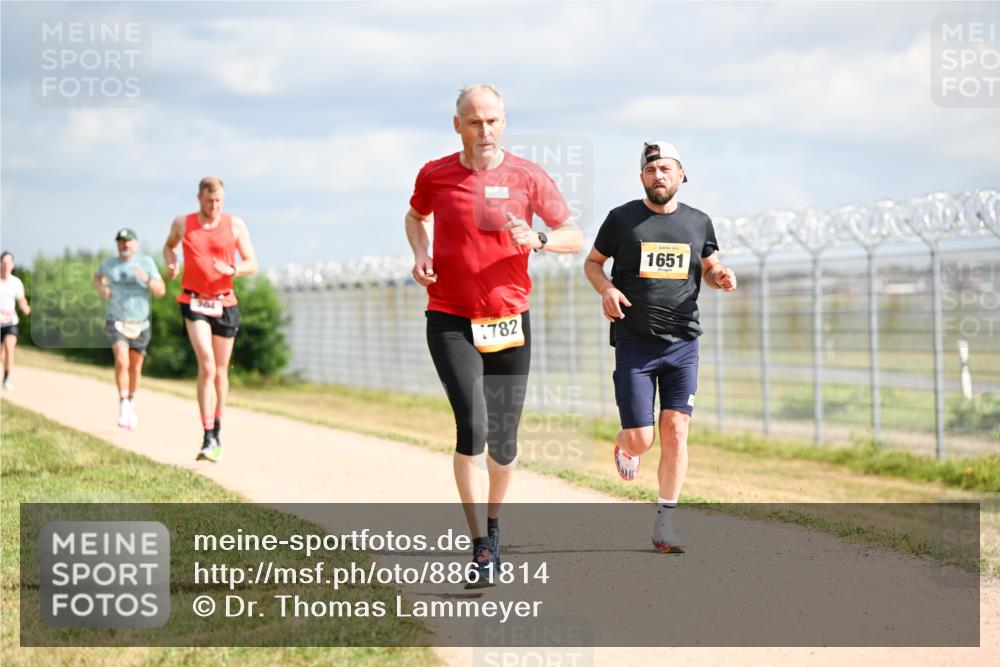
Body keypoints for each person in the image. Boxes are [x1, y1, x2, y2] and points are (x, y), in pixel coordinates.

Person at [405, 84, 583, 587]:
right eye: (475, 121)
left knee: (503, 443)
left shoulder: (528, 175)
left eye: (493, 121)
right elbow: (415, 216)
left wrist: (540, 239)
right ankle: (479, 545)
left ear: (503, 122)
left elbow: (573, 234)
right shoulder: (435, 174)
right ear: (457, 124)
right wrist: (420, 252)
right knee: (473, 427)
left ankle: (495, 524)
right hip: (450, 318)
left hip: (508, 320)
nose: (485, 130)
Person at [583, 141, 737, 553]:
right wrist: (607, 289)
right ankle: (624, 444)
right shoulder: (622, 220)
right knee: (642, 439)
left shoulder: (698, 222)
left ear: (681, 174)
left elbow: (709, 264)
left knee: (676, 431)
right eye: (651, 170)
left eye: (666, 169)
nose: (658, 176)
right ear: (642, 178)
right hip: (634, 343)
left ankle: (665, 521)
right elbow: (592, 263)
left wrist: (720, 274)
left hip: (683, 342)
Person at [163, 176, 258, 462]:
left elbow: (252, 263)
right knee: (206, 364)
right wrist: (171, 261)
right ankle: (206, 436)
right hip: (193, 300)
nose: (214, 206)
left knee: (220, 370)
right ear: (199, 198)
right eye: (209, 201)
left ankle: (217, 429)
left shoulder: (235, 224)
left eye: (218, 201)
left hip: (224, 302)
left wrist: (232, 269)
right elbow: (169, 246)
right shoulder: (183, 223)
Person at [93, 228, 166, 428]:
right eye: (121, 242)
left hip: (140, 322)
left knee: (135, 367)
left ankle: (131, 403)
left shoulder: (147, 263)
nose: (125, 245)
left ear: (136, 243)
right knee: (122, 360)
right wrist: (102, 289)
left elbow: (161, 290)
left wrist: (146, 279)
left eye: (128, 241)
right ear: (117, 244)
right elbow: (96, 277)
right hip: (116, 320)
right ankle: (123, 403)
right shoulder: (109, 264)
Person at [0, 251, 31, 391]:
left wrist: (25, 306)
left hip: (11, 322)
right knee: (1, 354)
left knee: (9, 347)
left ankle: (6, 379)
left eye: (9, 263)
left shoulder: (16, 283)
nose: (6, 266)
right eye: (4, 263)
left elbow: (21, 299)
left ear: (12, 265)